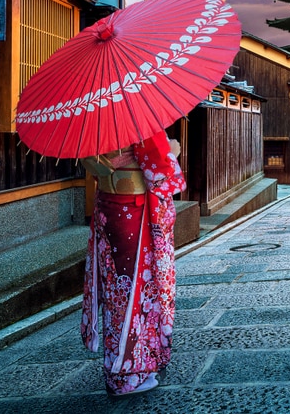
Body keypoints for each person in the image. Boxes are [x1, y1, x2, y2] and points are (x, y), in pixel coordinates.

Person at [79, 131, 185, 396]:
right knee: (133, 293)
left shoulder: (94, 121)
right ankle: (126, 375)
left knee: (116, 290)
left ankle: (124, 365)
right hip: (132, 211)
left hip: (107, 206)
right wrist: (172, 151)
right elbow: (160, 171)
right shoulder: (136, 122)